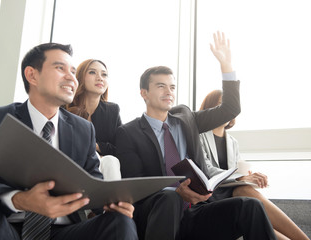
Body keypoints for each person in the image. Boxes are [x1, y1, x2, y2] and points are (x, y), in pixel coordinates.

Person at [0, 43, 138, 240]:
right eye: (60, 68)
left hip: (64, 232)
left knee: (120, 220)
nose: (71, 78)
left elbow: (93, 183)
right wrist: (20, 200)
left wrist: (111, 204)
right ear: (32, 75)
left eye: (73, 72)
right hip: (6, 227)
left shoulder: (84, 129)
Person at [115, 32, 276, 240]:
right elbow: (135, 186)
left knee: (250, 206)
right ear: (144, 93)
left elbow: (230, 108)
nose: (169, 91)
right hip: (157, 213)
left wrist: (226, 66)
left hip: (196, 210)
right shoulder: (128, 133)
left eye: (172, 87)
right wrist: (176, 192)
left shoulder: (186, 118)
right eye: (160, 86)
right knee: (170, 198)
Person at [199, 89, 310, 240]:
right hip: (213, 195)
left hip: (234, 194)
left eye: (229, 106)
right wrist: (241, 178)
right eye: (221, 105)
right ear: (210, 108)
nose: (227, 110)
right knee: (243, 190)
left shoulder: (232, 142)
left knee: (271, 230)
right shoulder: (199, 136)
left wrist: (250, 176)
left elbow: (239, 169)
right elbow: (207, 170)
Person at [66, 59, 121, 180]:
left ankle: (114, 199)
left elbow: (120, 149)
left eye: (104, 74)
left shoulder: (112, 111)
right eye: (92, 72)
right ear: (80, 77)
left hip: (103, 167)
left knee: (110, 160)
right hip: (71, 164)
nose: (100, 78)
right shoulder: (65, 107)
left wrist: (94, 146)